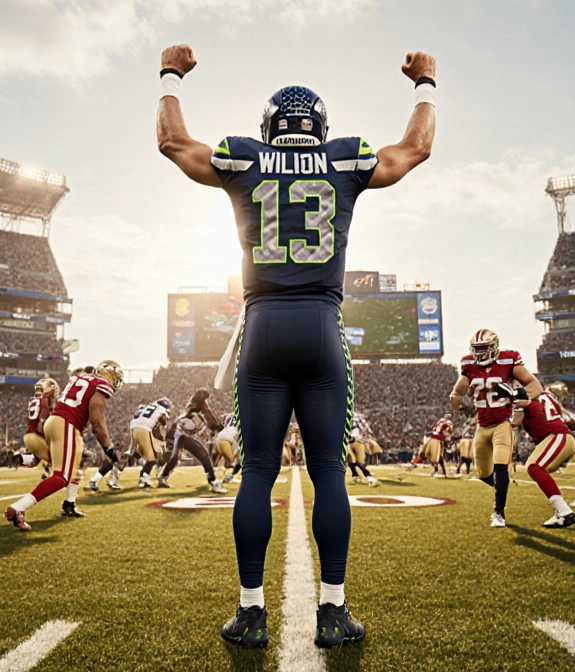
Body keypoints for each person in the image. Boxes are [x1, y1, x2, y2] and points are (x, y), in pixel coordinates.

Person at [156, 42, 436, 648]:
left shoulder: (245, 156)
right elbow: (414, 149)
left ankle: (250, 612)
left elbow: (173, 143)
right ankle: (332, 611)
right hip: (321, 324)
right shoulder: (345, 157)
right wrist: (425, 83)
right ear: (321, 128)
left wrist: (171, 74)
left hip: (262, 324)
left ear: (269, 127)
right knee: (329, 470)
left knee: (258, 471)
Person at [5, 362, 122, 529]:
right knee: (61, 477)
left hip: (54, 421)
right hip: (67, 425)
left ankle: (69, 503)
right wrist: (108, 449)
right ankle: (18, 507)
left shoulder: (79, 377)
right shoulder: (101, 385)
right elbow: (97, 423)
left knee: (77, 464)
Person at [450, 329, 542, 528]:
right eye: (476, 349)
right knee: (483, 474)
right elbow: (457, 394)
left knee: (501, 465)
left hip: (502, 423)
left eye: (483, 348)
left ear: (493, 347)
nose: (479, 353)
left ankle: (499, 512)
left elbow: (536, 387)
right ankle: (502, 485)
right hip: (482, 427)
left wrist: (514, 394)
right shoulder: (468, 364)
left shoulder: (508, 360)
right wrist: (460, 403)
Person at [511, 386, 575, 528]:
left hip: (556, 436)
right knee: (534, 467)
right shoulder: (545, 397)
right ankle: (560, 512)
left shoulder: (527, 403)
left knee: (535, 467)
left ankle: (565, 511)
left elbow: (515, 421)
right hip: (557, 437)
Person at [158, 389, 227, 494]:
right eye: (205, 400)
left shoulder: (193, 408)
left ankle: (162, 477)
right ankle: (212, 481)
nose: (207, 403)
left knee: (188, 456)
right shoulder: (198, 409)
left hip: (180, 434)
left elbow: (210, 422)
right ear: (202, 400)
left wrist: (218, 428)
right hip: (179, 434)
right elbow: (212, 423)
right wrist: (219, 428)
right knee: (185, 456)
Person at [128, 398, 171, 489]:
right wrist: (163, 444)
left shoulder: (150, 407)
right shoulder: (163, 412)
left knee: (138, 453)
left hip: (134, 426)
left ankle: (121, 463)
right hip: (145, 428)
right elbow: (161, 431)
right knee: (153, 457)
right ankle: (143, 479)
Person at [23, 378, 59, 478]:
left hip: (29, 433)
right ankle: (49, 472)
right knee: (56, 451)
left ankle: (18, 457)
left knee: (36, 459)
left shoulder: (33, 400)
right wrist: (43, 423)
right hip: (39, 433)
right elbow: (44, 411)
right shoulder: (44, 400)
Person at [347, 420, 379, 487]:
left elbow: (353, 438)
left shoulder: (355, 430)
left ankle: (370, 478)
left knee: (357, 464)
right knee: (351, 463)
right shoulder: (354, 428)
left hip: (355, 445)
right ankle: (356, 478)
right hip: (352, 445)